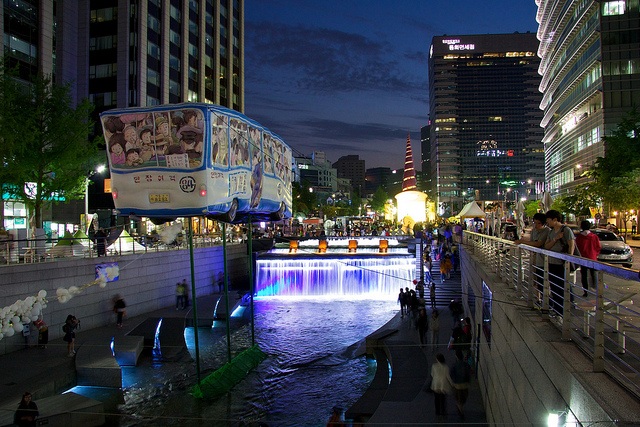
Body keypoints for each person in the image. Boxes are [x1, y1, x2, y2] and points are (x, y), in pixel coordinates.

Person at [544, 210, 576, 317]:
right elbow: (547, 246)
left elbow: (571, 244)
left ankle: (565, 309)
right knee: (554, 286)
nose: (547, 222)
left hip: (562, 263)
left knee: (563, 285)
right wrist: (555, 239)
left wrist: (569, 259)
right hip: (552, 262)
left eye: (548, 220)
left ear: (555, 219)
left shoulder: (566, 230)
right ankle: (557, 309)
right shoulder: (551, 231)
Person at [514, 212, 550, 303]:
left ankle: (545, 300)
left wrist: (522, 241)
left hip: (544, 260)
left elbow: (538, 244)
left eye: (538, 223)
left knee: (543, 281)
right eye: (534, 223)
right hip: (534, 259)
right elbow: (532, 243)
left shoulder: (547, 231)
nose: (536, 225)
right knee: (535, 280)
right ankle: (538, 299)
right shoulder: (534, 231)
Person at [575, 220, 601, 298]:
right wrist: (595, 254)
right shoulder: (594, 236)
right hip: (592, 258)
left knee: (584, 275)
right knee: (593, 274)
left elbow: (577, 248)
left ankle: (585, 291)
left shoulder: (579, 237)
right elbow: (598, 247)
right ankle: (595, 289)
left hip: (583, 258)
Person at [430, 353, 453, 418]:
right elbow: (448, 377)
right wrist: (452, 384)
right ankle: (443, 411)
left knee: (436, 399)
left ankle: (437, 411)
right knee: (443, 399)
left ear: (437, 359)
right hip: (443, 385)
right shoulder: (446, 367)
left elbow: (432, 374)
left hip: (436, 384)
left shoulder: (434, 366)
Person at [450, 349, 471, 419]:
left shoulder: (454, 365)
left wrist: (452, 382)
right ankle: (460, 409)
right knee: (463, 398)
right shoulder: (466, 365)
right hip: (465, 384)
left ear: (456, 357)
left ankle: (460, 409)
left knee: (458, 399)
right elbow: (468, 374)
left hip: (457, 385)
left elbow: (451, 375)